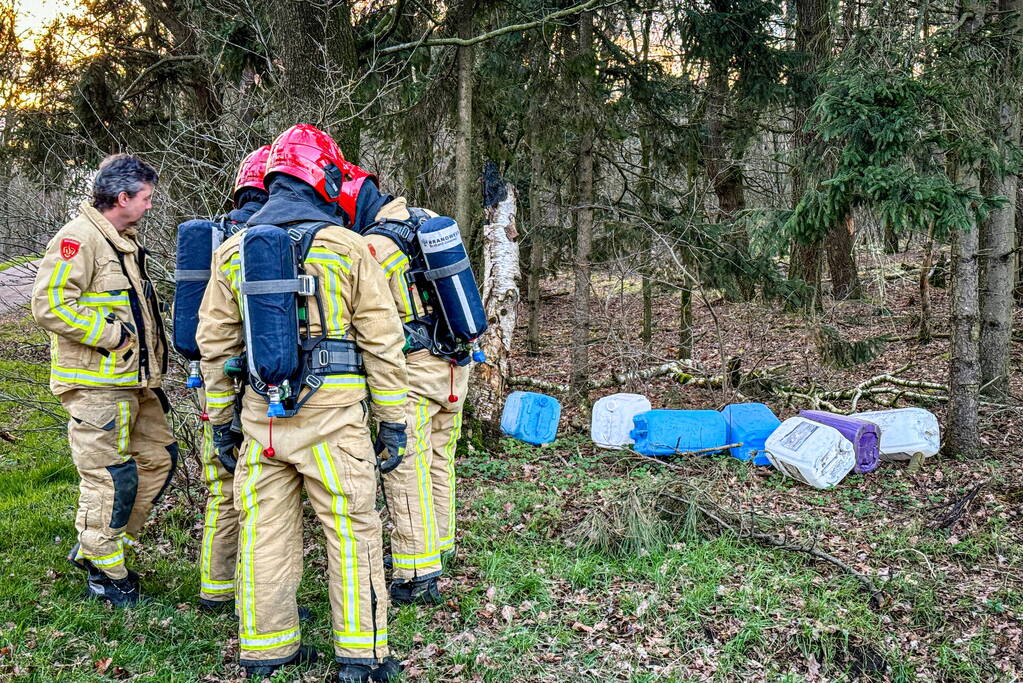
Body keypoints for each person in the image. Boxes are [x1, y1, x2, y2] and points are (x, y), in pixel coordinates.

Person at [196, 124, 408, 682]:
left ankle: (267, 652)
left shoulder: (233, 251)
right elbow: (382, 343)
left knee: (263, 531)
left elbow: (214, 346)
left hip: (260, 419)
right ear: (325, 177)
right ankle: (361, 658)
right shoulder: (347, 247)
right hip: (334, 418)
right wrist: (393, 422)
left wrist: (221, 423)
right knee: (352, 530)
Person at [31, 154, 176, 607]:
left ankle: (101, 544)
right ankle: (105, 574)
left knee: (159, 459)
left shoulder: (121, 240)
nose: (150, 206)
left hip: (135, 383)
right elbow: (49, 303)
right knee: (109, 477)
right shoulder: (79, 238)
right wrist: (112, 336)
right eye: (146, 198)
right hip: (97, 385)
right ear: (123, 197)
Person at [340, 169, 473, 604]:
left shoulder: (374, 246)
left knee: (406, 471)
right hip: (455, 365)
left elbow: (369, 319)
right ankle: (441, 545)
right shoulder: (427, 219)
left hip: (415, 369)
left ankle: (417, 574)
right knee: (440, 461)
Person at [195, 145, 270, 610]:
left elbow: (206, 330)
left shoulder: (216, 240)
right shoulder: (276, 239)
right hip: (266, 391)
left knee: (221, 490)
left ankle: (216, 588)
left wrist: (217, 410)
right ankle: (256, 595)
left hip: (213, 382)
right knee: (262, 499)